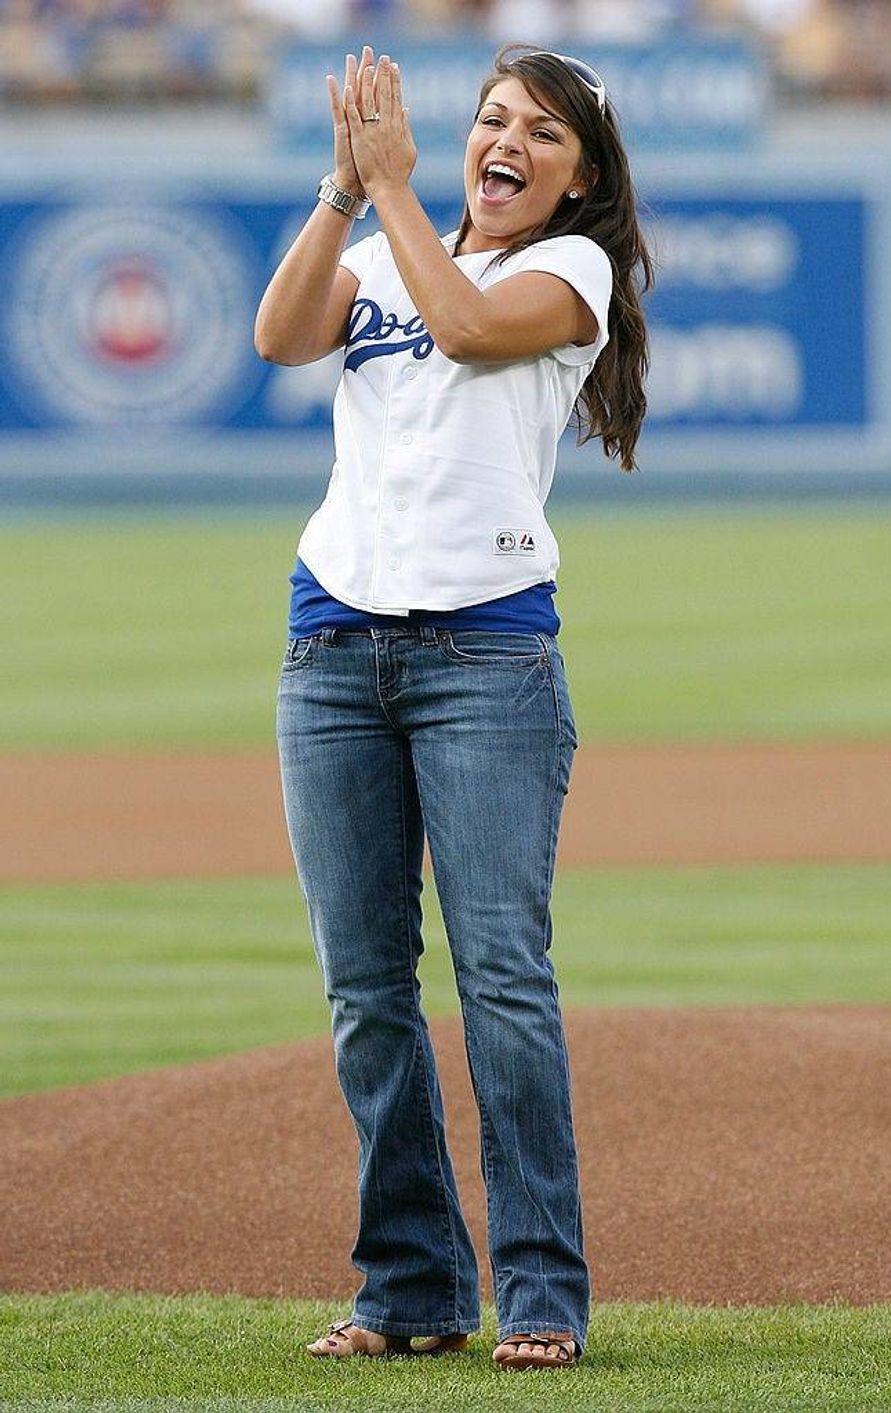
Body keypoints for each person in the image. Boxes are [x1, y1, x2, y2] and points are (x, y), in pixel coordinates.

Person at [254, 41, 652, 1372]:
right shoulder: (379, 249)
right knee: (368, 990)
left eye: (543, 135)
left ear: (580, 179)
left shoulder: (572, 273)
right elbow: (281, 335)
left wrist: (401, 195)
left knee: (501, 983)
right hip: (333, 651)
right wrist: (344, 193)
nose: (509, 145)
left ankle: (541, 1288)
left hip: (485, 656)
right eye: (494, 120)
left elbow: (475, 330)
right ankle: (413, 1281)